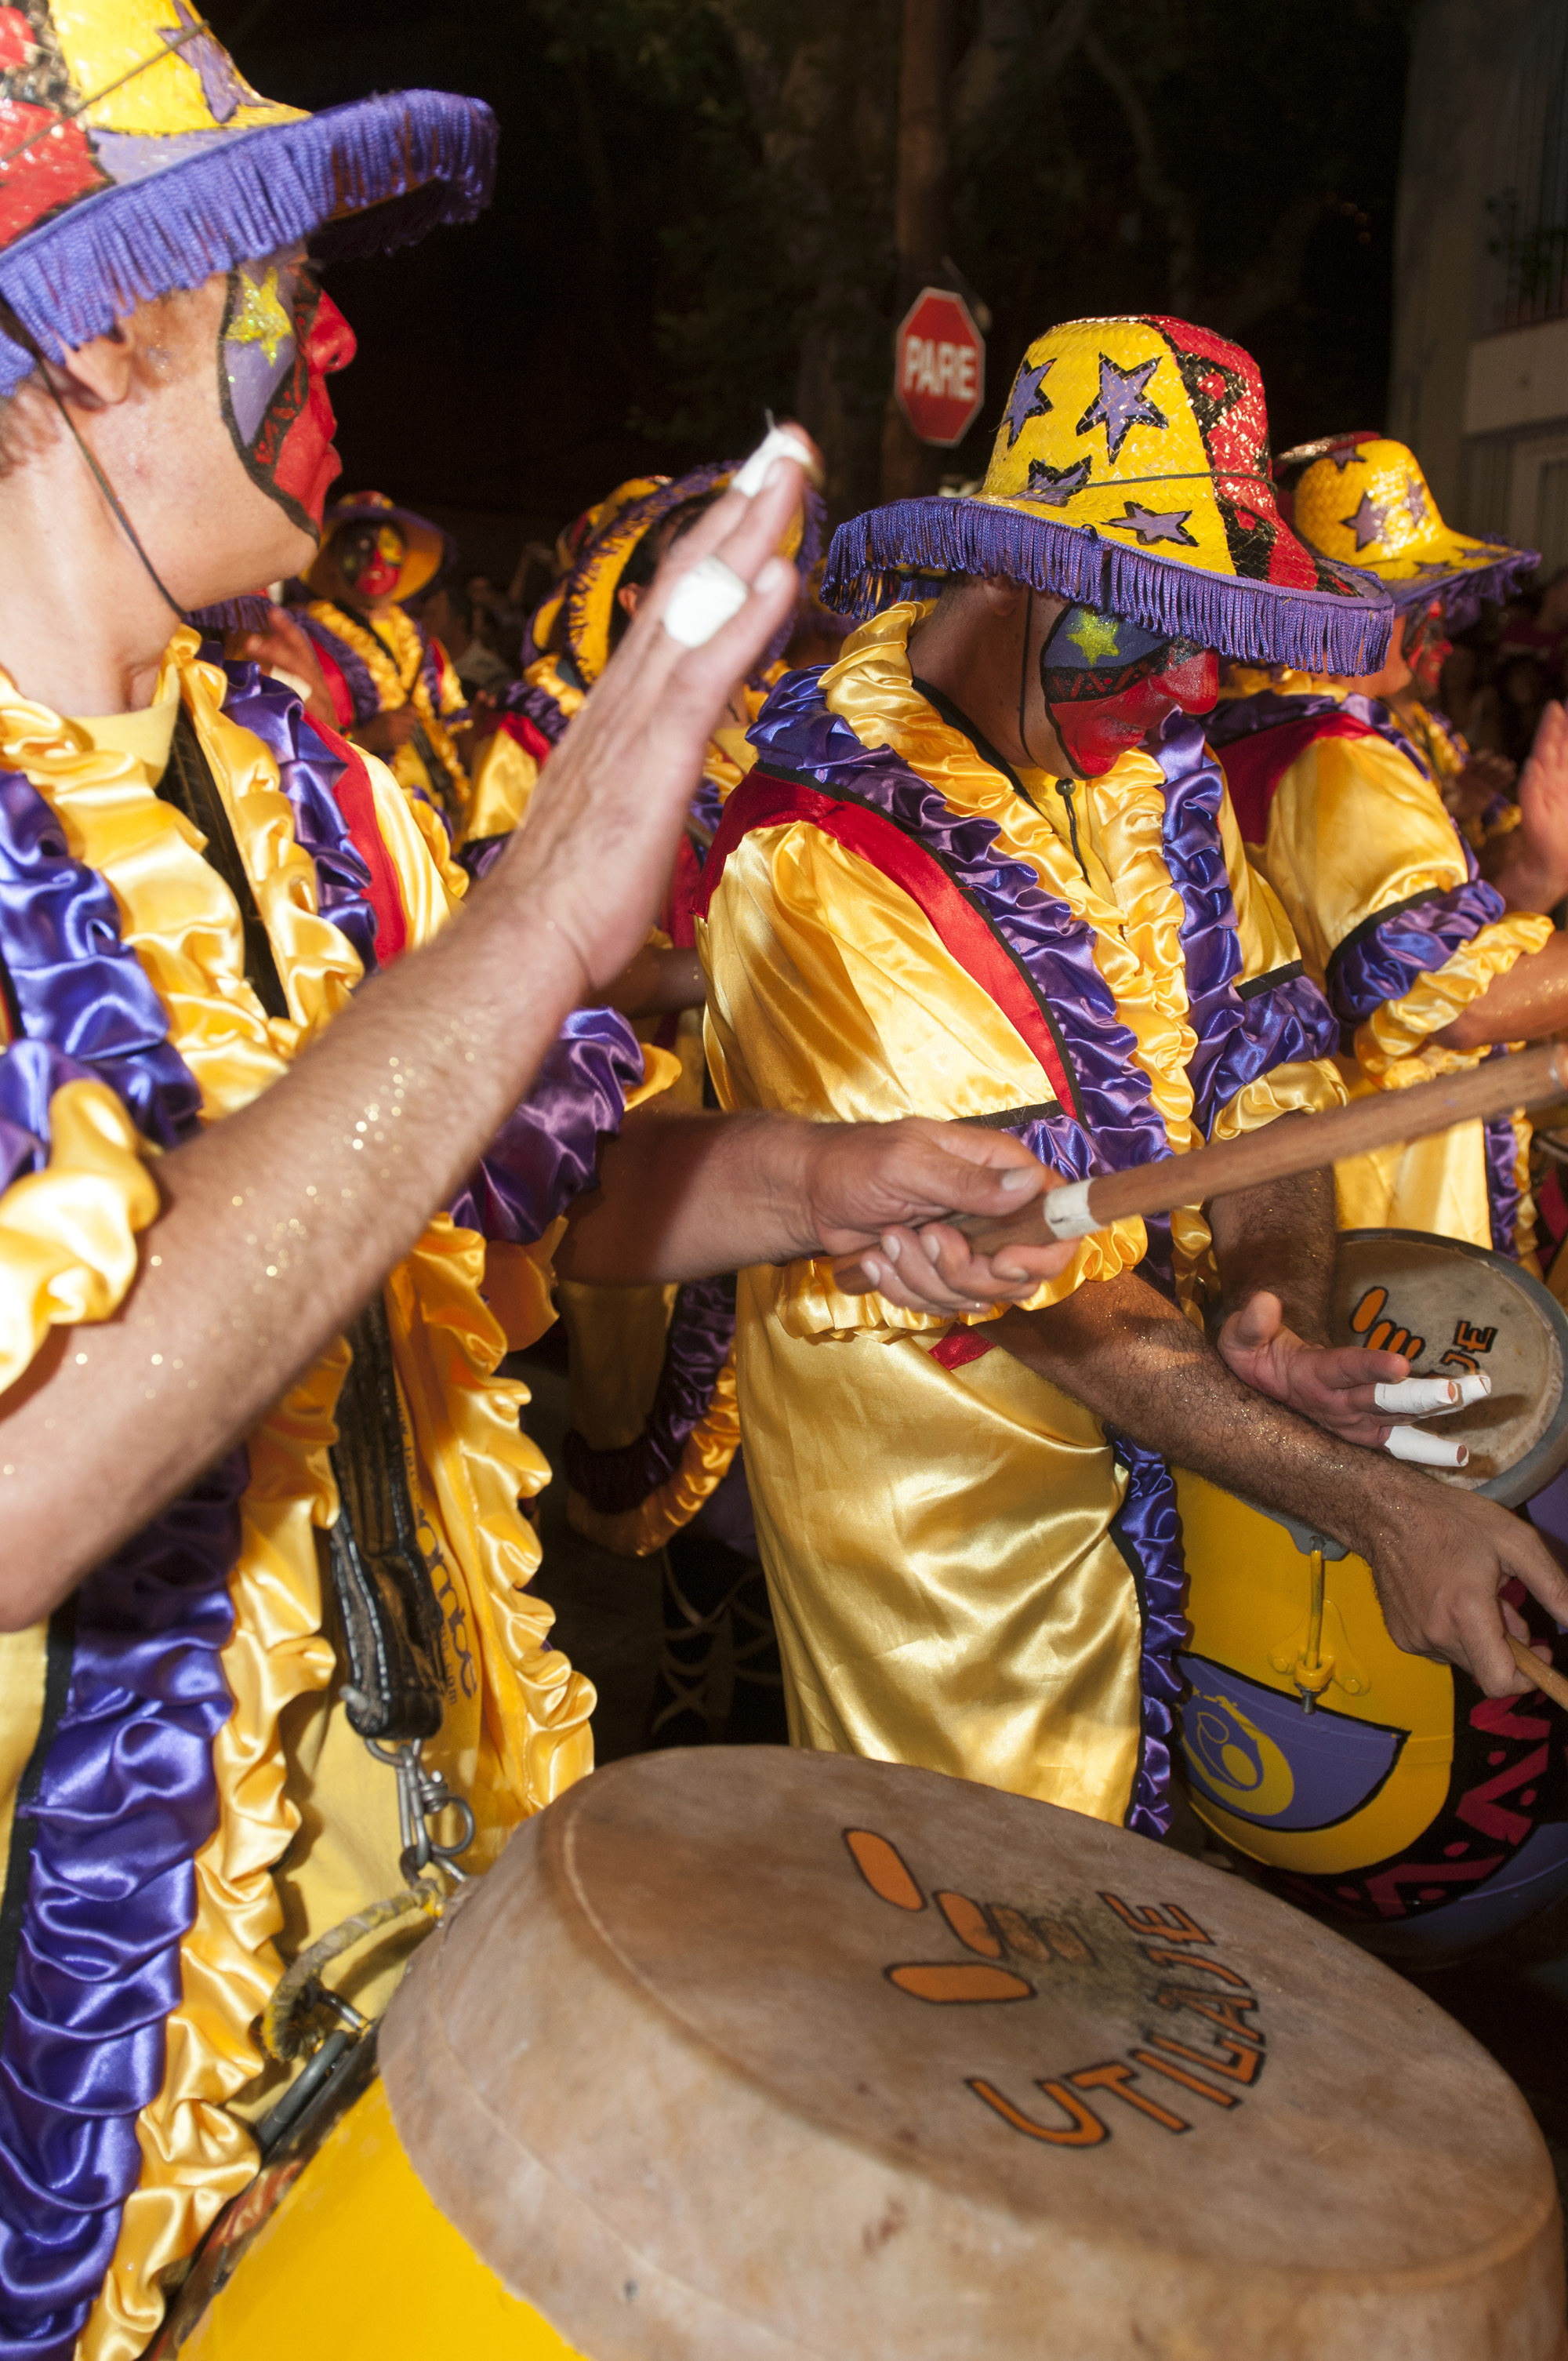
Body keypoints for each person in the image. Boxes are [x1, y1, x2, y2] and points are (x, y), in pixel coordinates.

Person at [0, 18, 1078, 2356]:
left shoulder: (307, 769)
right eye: (288, 278)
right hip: (99, 2132)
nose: (353, 329)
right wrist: (535, 918)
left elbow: (470, 1202)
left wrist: (820, 1170)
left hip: (436, 1974)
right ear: (87, 341)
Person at [695, 314, 1568, 1829]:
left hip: (1187, 1454)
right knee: (989, 1945)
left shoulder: (1151, 770)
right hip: (963, 1563)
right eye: (1149, 619)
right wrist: (1372, 1504)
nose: (1186, 691)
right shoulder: (816, 857)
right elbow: (1038, 1293)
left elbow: (1269, 1084)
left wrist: (1267, 1310)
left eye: (1213, 632)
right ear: (1016, 571)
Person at [1207, 434, 1567, 1258]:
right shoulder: (1337, 761)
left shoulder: (1259, 735)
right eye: (1414, 596)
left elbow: (1410, 954)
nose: (1431, 619)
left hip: (1320, 1193)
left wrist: (1534, 873)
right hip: (1380, 1204)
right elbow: (1457, 1003)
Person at [296, 490, 474, 826]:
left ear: (404, 560)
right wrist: (364, 739)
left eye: (389, 547)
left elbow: (456, 719)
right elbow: (289, 738)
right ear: (331, 560)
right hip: (367, 821)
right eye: (359, 548)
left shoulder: (424, 643)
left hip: (443, 820)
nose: (376, 560)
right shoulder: (302, 638)